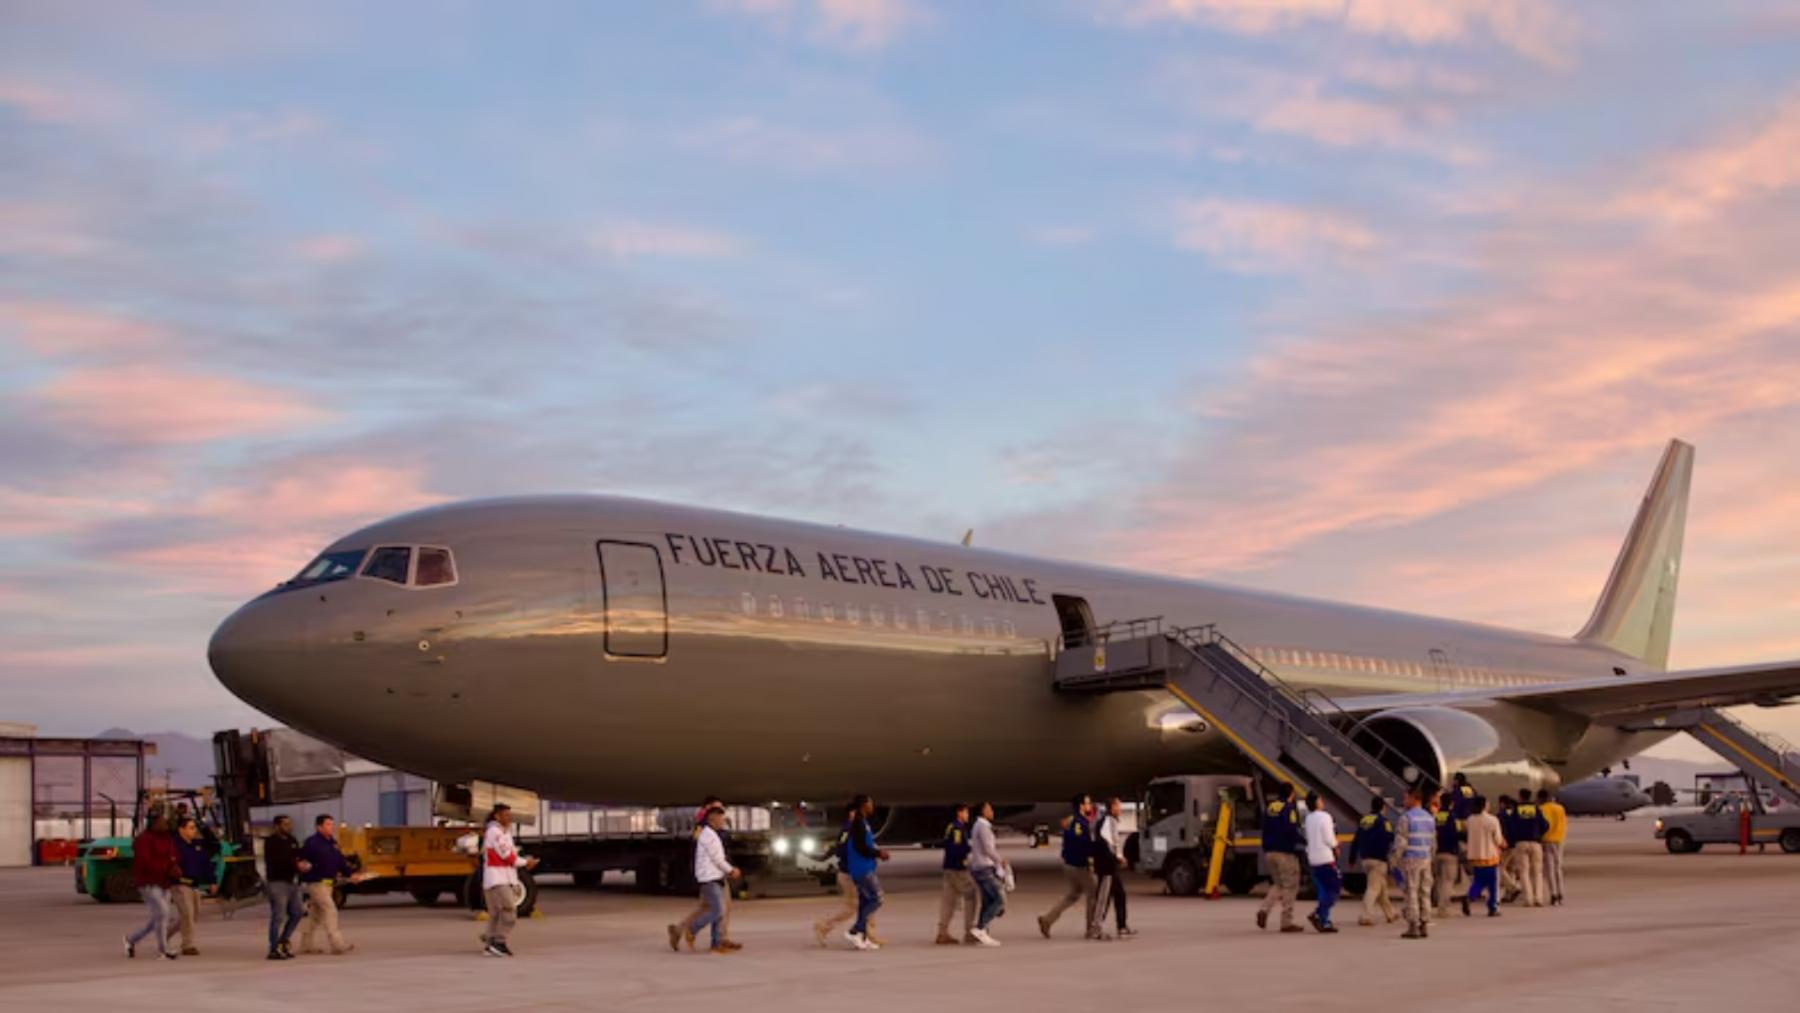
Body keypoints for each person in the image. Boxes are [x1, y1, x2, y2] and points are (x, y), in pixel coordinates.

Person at [670, 804, 740, 954]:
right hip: (710, 878)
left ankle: (716, 943)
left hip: (714, 876)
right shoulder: (707, 834)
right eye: (721, 817)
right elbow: (717, 858)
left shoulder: (713, 833)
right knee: (717, 910)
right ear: (712, 818)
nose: (723, 820)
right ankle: (692, 929)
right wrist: (731, 870)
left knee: (716, 910)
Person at [1038, 795, 1102, 940]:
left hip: (1069, 864)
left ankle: (1047, 919)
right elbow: (1081, 844)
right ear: (1081, 806)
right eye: (1087, 803)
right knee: (1093, 896)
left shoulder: (1071, 821)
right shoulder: (1080, 822)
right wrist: (1094, 854)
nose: (1090, 805)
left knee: (1073, 895)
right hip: (1079, 865)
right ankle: (1091, 929)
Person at [482, 804, 538, 957]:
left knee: (495, 913)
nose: (509, 817)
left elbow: (508, 854)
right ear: (497, 816)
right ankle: (499, 942)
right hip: (497, 879)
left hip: (497, 878)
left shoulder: (502, 832)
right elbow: (506, 855)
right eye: (506, 815)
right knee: (509, 911)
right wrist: (526, 863)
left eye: (509, 814)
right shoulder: (496, 832)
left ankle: (490, 943)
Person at [122, 814, 180, 960]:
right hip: (148, 883)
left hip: (164, 882)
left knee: (159, 917)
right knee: (164, 913)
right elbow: (145, 861)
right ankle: (163, 950)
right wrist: (167, 867)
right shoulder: (143, 840)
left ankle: (131, 939)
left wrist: (174, 865)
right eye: (161, 822)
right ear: (153, 824)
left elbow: (173, 855)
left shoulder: (167, 838)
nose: (165, 825)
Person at [299, 815, 354, 955]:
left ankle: (306, 945)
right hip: (316, 883)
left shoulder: (332, 843)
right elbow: (302, 861)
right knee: (330, 911)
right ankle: (337, 944)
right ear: (319, 827)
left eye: (332, 824)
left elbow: (340, 861)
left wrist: (350, 875)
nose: (332, 827)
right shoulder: (311, 843)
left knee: (315, 916)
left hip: (329, 884)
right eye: (328, 824)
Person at [1256, 782, 1305, 933]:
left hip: (1270, 852)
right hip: (1284, 853)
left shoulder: (1271, 807)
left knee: (1278, 884)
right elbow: (1291, 829)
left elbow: (1264, 828)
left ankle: (1264, 909)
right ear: (1291, 793)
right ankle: (1286, 922)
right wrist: (1303, 842)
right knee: (1291, 885)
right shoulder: (1289, 808)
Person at [843, 794, 890, 950]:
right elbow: (861, 847)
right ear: (863, 805)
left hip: (864, 867)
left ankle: (862, 937)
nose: (872, 806)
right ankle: (855, 930)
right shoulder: (858, 823)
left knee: (864, 901)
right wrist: (879, 853)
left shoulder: (862, 821)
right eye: (870, 803)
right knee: (877, 898)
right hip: (861, 869)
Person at [1394, 786, 1436, 939]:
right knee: (1425, 891)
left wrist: (1395, 858)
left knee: (1411, 891)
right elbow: (1433, 842)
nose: (1404, 801)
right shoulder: (1429, 817)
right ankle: (1424, 924)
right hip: (1425, 858)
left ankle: (1413, 925)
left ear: (1414, 799)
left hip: (1411, 858)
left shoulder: (1406, 818)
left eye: (1406, 798)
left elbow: (1401, 841)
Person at [1349, 796, 1398, 928]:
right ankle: (1365, 915)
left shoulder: (1364, 820)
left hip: (1365, 859)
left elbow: (1356, 840)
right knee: (1373, 889)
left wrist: (1352, 858)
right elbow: (1389, 838)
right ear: (1383, 807)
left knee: (1382, 888)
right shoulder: (1383, 821)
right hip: (1378, 860)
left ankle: (1391, 913)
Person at [263, 815, 307, 960]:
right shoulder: (271, 842)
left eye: (290, 823)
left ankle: (283, 940)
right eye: (286, 824)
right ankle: (274, 948)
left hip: (292, 882)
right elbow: (277, 861)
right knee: (278, 915)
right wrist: (295, 865)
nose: (289, 826)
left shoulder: (292, 840)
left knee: (298, 912)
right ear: (277, 826)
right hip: (277, 883)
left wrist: (303, 864)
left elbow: (297, 856)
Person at [170, 816, 215, 956]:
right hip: (180, 884)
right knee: (188, 915)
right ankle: (187, 945)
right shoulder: (174, 845)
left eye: (194, 827)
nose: (194, 831)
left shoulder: (197, 845)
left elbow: (207, 862)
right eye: (191, 828)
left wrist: (212, 880)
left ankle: (163, 934)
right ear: (181, 830)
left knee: (191, 916)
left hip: (195, 885)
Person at [935, 803, 978, 945]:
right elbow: (956, 848)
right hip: (957, 869)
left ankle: (942, 932)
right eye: (966, 812)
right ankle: (969, 931)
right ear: (960, 813)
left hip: (948, 868)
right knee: (971, 895)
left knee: (948, 900)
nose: (967, 815)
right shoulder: (958, 829)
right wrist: (966, 854)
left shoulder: (950, 827)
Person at [1094, 797, 1134, 938]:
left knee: (1120, 895)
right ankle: (1097, 929)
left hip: (1111, 865)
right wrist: (1117, 857)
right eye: (1118, 806)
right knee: (1103, 898)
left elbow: (1114, 843)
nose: (1120, 809)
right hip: (1106, 866)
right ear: (1111, 808)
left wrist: (1119, 857)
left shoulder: (1113, 822)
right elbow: (1106, 843)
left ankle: (1122, 926)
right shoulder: (1107, 822)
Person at [968, 801, 1007, 946]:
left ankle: (982, 933)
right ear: (982, 811)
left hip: (978, 867)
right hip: (984, 867)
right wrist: (1000, 860)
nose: (992, 811)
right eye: (989, 808)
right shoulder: (983, 827)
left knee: (987, 901)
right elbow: (988, 848)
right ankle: (980, 929)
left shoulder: (978, 825)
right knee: (999, 900)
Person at [1461, 796, 1506, 917]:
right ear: (1484, 805)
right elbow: (1498, 839)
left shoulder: (1470, 820)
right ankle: (1492, 907)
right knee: (1492, 884)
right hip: (1490, 855)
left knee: (1479, 881)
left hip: (1475, 856)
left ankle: (1470, 897)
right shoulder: (1492, 820)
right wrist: (1502, 845)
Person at [1302, 791, 1340, 933]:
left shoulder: (1308, 818)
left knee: (1323, 889)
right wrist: (1335, 845)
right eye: (1320, 799)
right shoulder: (1325, 817)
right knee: (1334, 888)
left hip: (1313, 858)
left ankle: (1324, 920)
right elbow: (1328, 838)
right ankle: (1319, 914)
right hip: (1325, 857)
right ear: (1317, 802)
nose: (1322, 801)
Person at [1510, 789, 1548, 907]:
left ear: (1520, 796)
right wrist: (1539, 834)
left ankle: (1528, 899)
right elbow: (1545, 825)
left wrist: (1514, 838)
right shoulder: (1536, 809)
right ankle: (1539, 898)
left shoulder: (1516, 810)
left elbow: (1510, 825)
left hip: (1521, 842)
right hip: (1535, 842)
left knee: (1524, 872)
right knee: (1537, 872)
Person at [1431, 789, 1464, 917]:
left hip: (1437, 852)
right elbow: (1459, 833)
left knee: (1439, 880)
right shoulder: (1453, 816)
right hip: (1450, 852)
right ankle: (1443, 908)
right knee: (1448, 881)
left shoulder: (1435, 816)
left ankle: (1440, 906)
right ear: (1452, 803)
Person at [1538, 788, 1568, 905]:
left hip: (1547, 840)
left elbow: (1545, 825)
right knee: (1558, 867)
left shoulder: (1542, 809)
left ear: (1541, 798)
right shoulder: (1560, 808)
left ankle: (1553, 894)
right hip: (1559, 839)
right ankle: (1561, 892)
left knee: (1549, 869)